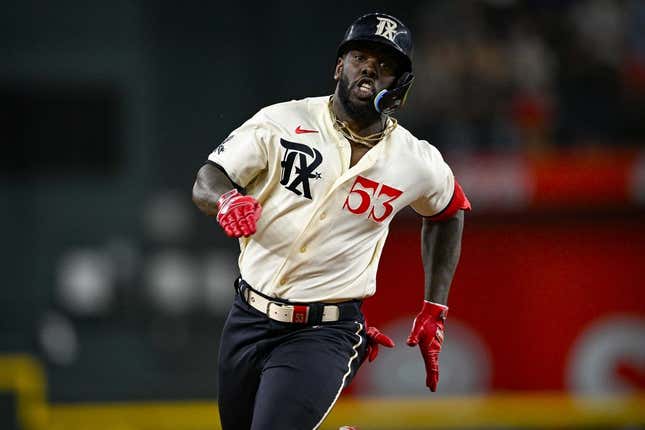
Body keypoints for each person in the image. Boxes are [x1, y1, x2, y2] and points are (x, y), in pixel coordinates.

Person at [192, 12, 471, 430]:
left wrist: (436, 306)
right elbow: (207, 178)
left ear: (399, 86)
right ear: (340, 66)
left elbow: (450, 210)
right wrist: (227, 199)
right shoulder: (281, 120)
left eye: (387, 64)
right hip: (247, 317)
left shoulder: (415, 160)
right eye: (361, 56)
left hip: (325, 332)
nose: (372, 67)